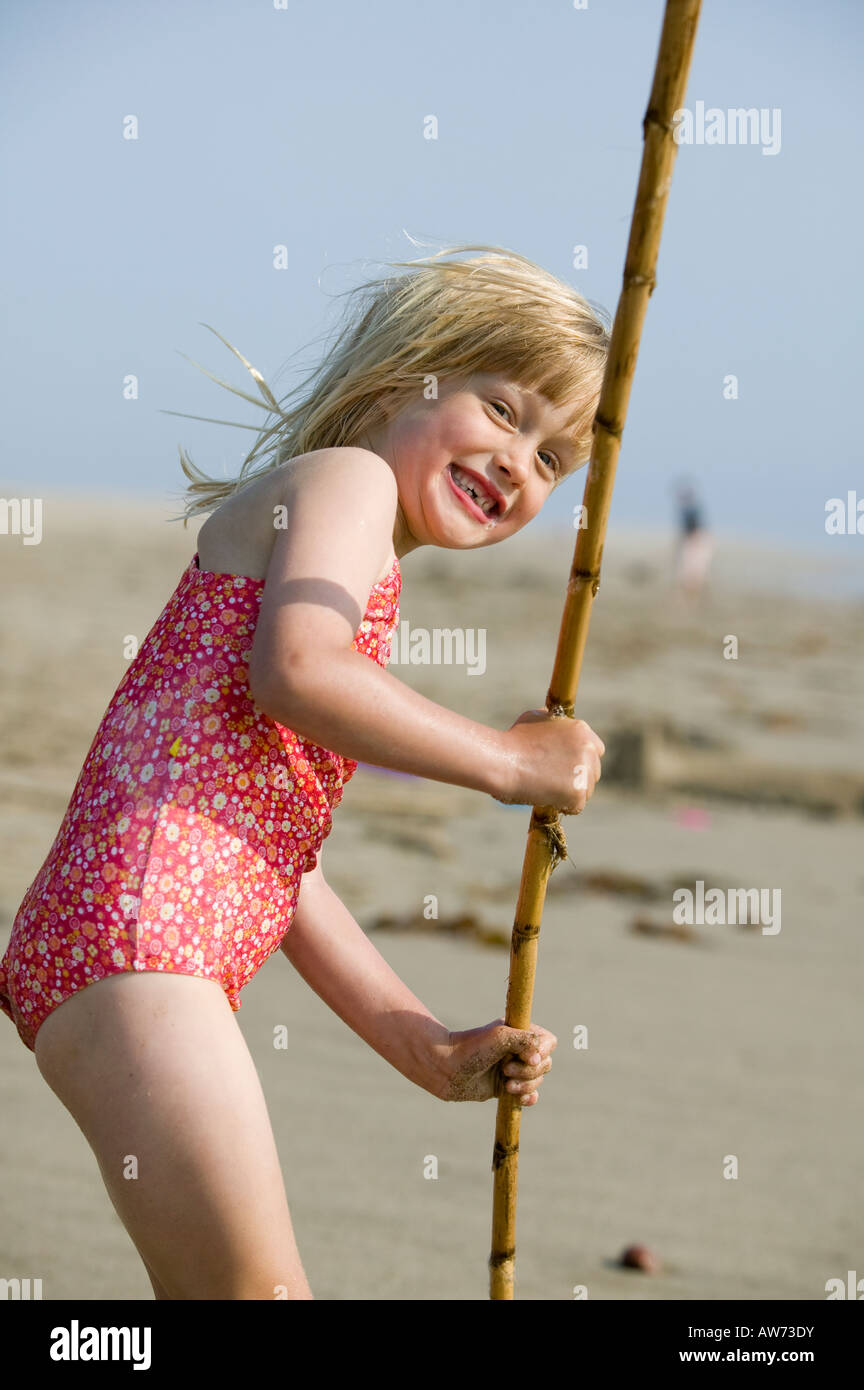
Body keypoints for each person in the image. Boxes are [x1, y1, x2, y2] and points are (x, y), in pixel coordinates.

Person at [0, 244, 609, 1300]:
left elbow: (282, 859)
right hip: (144, 938)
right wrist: (508, 763)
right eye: (506, 411)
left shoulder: (358, 556)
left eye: (556, 458)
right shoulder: (350, 480)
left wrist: (415, 1042)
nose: (522, 463)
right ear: (402, 376)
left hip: (134, 941)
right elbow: (296, 673)